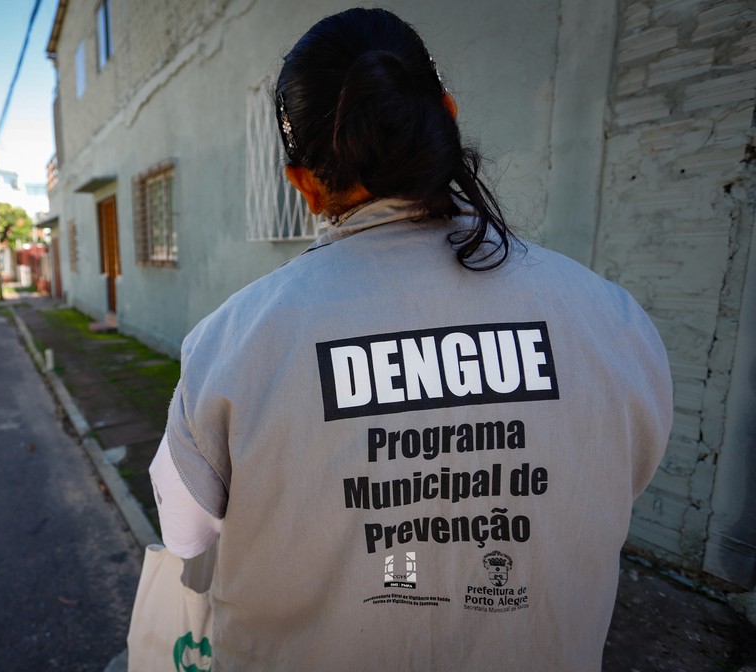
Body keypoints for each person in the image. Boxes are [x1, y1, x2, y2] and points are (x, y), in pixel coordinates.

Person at [148, 7, 673, 671]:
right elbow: (613, 482)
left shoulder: (226, 346)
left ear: (305, 185)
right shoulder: (614, 320)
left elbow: (188, 541)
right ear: (447, 117)